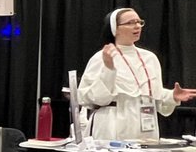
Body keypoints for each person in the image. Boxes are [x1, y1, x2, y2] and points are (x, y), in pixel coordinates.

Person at [77, 8, 196, 140]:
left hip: (146, 126)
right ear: (115, 28)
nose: (137, 26)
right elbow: (92, 98)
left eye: (139, 22)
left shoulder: (150, 58)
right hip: (113, 123)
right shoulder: (101, 57)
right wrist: (109, 69)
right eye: (130, 23)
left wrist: (172, 96)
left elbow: (153, 96)